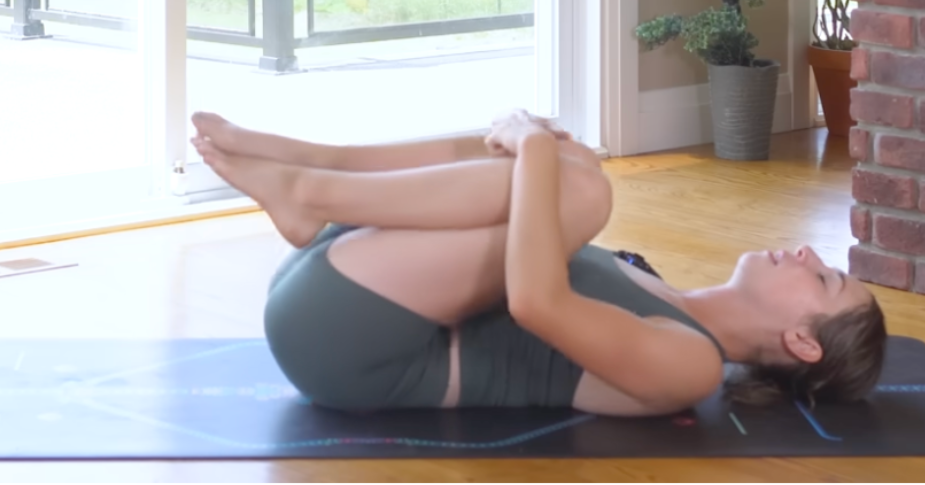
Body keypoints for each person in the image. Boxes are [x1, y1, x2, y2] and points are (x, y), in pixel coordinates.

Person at [190, 109, 886, 417]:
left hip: (349, 344)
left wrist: (542, 157)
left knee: (574, 183)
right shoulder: (663, 288)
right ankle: (313, 165)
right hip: (347, 284)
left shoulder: (692, 365)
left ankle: (310, 193)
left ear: (801, 340)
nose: (805, 252)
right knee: (567, 169)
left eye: (821, 278)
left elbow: (535, 302)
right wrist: (541, 148)